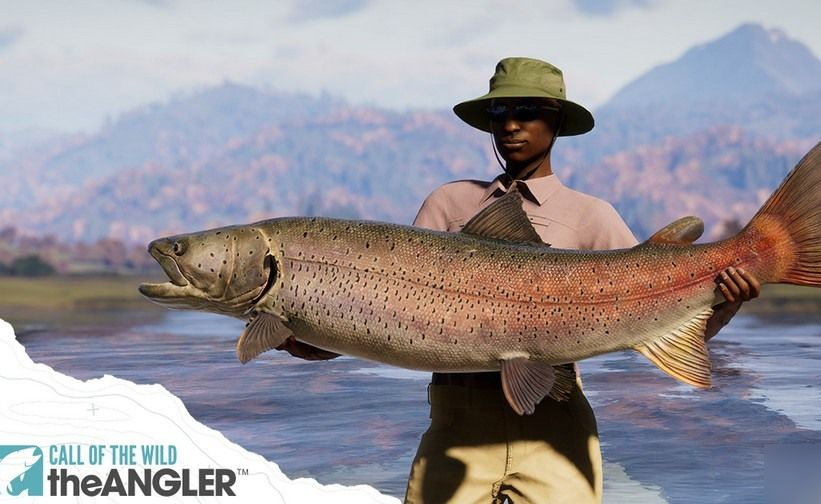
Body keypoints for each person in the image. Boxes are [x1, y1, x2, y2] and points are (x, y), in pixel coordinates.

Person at [279, 57, 760, 503]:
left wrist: (728, 300)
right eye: (500, 112)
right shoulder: (448, 205)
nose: (511, 124)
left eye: (527, 111)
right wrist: (309, 339)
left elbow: (652, 322)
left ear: (557, 123)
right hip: (455, 424)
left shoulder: (593, 216)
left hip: (557, 427)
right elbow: (385, 317)